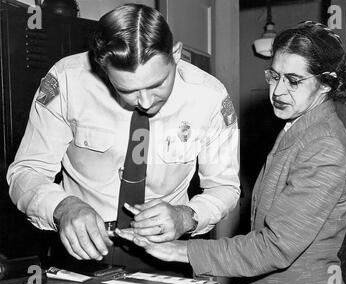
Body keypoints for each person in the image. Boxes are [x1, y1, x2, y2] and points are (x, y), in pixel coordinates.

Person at [117, 21, 346, 284]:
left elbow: (275, 247)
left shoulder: (325, 145)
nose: (278, 91)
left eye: (293, 81)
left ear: (326, 83)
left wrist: (178, 250)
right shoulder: (300, 127)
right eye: (274, 76)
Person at [6, 4, 240, 270]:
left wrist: (186, 216)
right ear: (101, 66)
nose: (146, 101)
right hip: (81, 250)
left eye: (157, 84)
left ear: (175, 54)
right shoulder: (67, 80)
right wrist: (63, 207)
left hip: (167, 251)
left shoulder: (210, 96)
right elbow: (26, 171)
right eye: (127, 90)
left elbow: (226, 187)